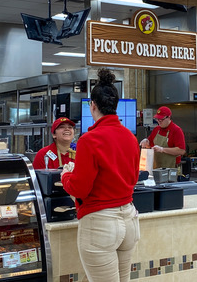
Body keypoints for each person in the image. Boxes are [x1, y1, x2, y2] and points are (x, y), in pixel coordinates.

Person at [61, 68, 140, 282]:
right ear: (115, 106)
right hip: (129, 220)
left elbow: (80, 188)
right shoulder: (130, 138)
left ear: (92, 105)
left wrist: (65, 176)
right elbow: (133, 178)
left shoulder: (89, 140)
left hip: (101, 224)